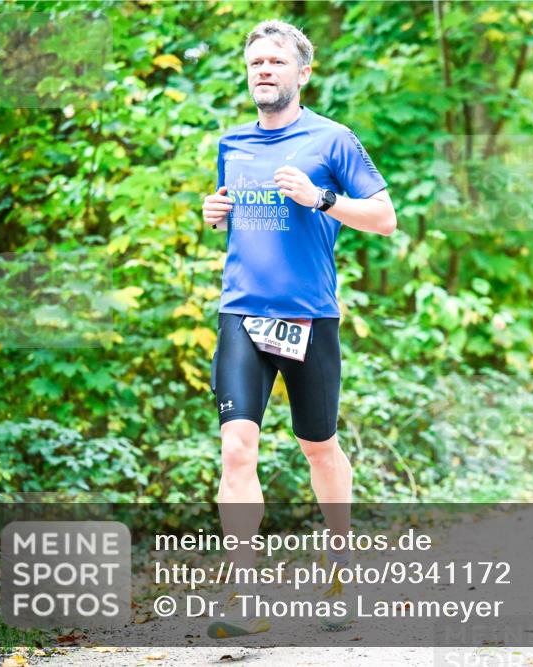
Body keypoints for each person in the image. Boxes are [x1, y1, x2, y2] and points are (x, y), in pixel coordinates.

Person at [201, 20, 397, 637]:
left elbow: (385, 218)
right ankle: (244, 595)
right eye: (255, 62)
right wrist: (213, 212)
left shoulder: (333, 140)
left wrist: (321, 199)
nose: (264, 70)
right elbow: (236, 218)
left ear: (302, 73)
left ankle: (340, 566)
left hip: (310, 315)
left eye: (276, 61)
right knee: (237, 447)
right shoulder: (232, 143)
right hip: (242, 312)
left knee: (319, 446)